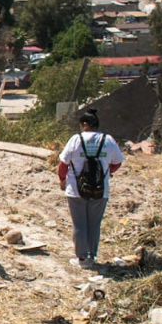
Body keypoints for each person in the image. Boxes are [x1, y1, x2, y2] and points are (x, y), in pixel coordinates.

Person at [57, 109, 124, 269]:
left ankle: (81, 257)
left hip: (75, 189)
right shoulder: (108, 140)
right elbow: (117, 162)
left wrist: (62, 180)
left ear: (85, 125)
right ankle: (92, 256)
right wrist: (106, 173)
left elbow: (63, 164)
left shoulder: (76, 140)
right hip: (101, 189)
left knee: (79, 224)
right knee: (94, 224)